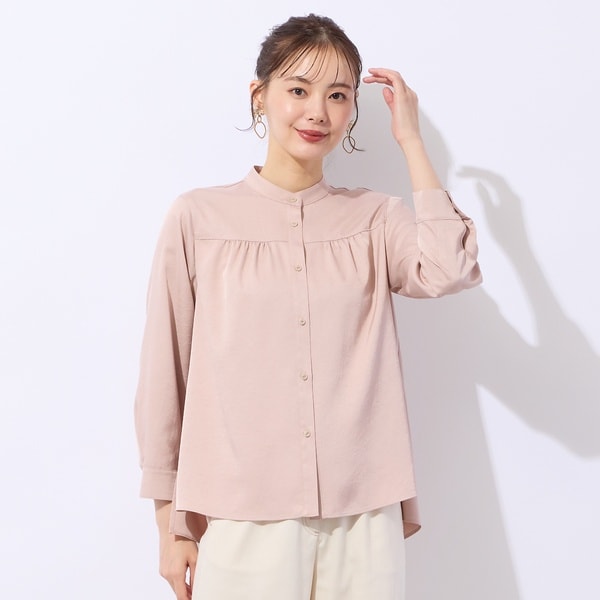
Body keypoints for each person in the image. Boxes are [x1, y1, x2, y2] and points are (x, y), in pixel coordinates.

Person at [134, 13, 482, 600]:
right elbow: (164, 375)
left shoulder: (375, 218)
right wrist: (169, 522)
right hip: (241, 514)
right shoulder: (197, 219)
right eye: (298, 90)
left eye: (338, 95)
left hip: (364, 516)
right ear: (260, 95)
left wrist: (411, 141)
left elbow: (449, 269)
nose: (317, 111)